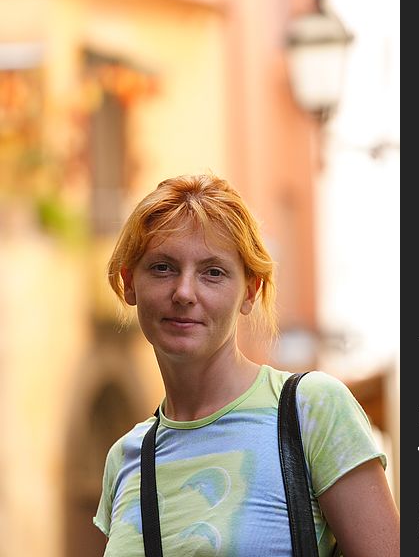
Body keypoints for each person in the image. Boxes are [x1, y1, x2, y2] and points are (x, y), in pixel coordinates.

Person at [93, 173, 400, 556]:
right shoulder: (128, 456)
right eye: (162, 267)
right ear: (129, 282)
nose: (184, 292)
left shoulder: (309, 411)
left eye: (213, 272)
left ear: (250, 292)